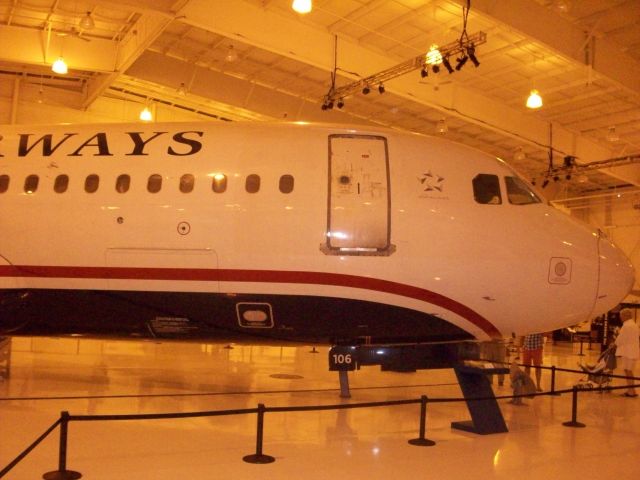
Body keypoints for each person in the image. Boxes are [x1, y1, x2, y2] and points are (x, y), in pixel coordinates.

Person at [615, 308, 639, 397]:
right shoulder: (634, 324)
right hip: (632, 351)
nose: (620, 317)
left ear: (626, 316)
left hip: (628, 352)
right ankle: (632, 390)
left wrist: (614, 344)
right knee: (628, 370)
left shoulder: (627, 325)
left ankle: (631, 391)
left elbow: (621, 338)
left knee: (628, 371)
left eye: (621, 315)